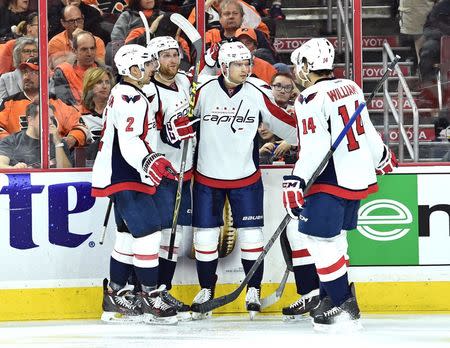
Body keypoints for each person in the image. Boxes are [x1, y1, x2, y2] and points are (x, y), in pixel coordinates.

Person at [284, 38, 398, 330]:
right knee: (335, 241)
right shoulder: (352, 87)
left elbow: (314, 147)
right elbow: (366, 130)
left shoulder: (307, 98)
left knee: (321, 243)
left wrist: (296, 180)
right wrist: (381, 154)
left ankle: (343, 303)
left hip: (328, 179)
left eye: (301, 65)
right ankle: (327, 298)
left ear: (308, 66)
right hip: (356, 177)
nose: (298, 71)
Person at [190, 41, 296, 320]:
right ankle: (206, 289)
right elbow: (184, 119)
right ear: (223, 66)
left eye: (247, 63)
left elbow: (282, 122)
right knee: (204, 238)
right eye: (238, 64)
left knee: (251, 237)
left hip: (245, 176)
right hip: (206, 176)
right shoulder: (203, 91)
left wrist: (309, 138)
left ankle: (253, 289)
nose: (245, 68)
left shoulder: (258, 91)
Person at [91, 44, 195, 324]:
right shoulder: (130, 98)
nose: (152, 68)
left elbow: (153, 122)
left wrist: (172, 127)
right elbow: (130, 141)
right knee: (149, 234)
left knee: (126, 237)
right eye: (147, 64)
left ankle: (115, 296)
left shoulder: (128, 92)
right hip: (127, 174)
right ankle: (150, 297)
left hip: (125, 172)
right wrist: (150, 160)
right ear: (133, 70)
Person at [142, 36, 198, 320]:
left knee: (175, 238)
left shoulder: (187, 83)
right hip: (162, 171)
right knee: (161, 234)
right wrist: (170, 133)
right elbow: (150, 131)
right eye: (165, 56)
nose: (172, 60)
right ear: (154, 60)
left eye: (175, 54)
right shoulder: (149, 92)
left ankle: (163, 290)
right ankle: (151, 292)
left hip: (185, 170)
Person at [0, 102, 73, 168]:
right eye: (45, 118)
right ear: (30, 120)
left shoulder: (59, 142)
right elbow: (1, 164)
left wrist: (57, 143)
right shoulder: (11, 141)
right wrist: (14, 169)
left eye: (51, 118)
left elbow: (67, 173)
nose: (50, 122)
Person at [51, 30, 106, 107]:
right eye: (84, 49)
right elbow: (66, 103)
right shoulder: (63, 71)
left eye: (92, 48)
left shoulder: (105, 71)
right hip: (76, 116)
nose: (89, 53)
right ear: (74, 51)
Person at [79, 66, 115, 164]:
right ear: (89, 86)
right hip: (92, 163)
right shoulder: (81, 115)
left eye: (107, 82)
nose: (104, 86)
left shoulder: (117, 112)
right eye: (99, 82)